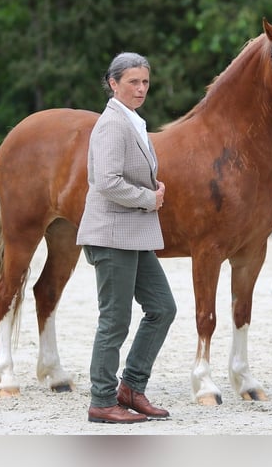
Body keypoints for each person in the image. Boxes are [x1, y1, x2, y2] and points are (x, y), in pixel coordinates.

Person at [76, 51, 177, 424]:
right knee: (115, 320)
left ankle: (131, 387)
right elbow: (106, 181)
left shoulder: (132, 121)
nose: (140, 89)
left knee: (163, 307)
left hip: (133, 234)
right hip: (111, 233)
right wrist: (149, 198)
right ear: (113, 83)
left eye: (145, 82)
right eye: (133, 82)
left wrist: (152, 185)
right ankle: (102, 400)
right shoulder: (111, 124)